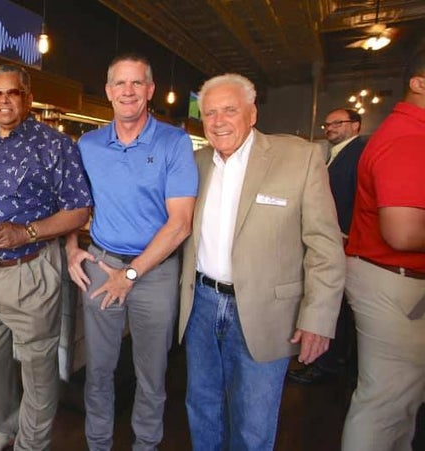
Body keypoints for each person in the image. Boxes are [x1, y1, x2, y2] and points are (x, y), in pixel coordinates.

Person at [177, 73, 345, 450]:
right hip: (202, 304)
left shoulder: (299, 158)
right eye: (210, 113)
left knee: (253, 421)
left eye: (230, 110)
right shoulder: (197, 162)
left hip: (266, 311)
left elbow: (324, 245)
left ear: (252, 114)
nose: (218, 121)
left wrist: (318, 317)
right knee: (202, 407)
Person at [0, 64, 92, 450]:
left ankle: (32, 443)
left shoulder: (54, 145)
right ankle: (1, 427)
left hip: (31, 270)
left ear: (27, 98)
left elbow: (79, 211)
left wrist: (22, 232)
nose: (4, 100)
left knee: (38, 370)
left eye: (12, 93)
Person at [65, 53, 198, 450]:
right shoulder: (88, 145)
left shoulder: (174, 142)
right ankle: (98, 443)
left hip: (154, 274)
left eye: (136, 83)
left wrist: (133, 274)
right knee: (99, 371)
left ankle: (145, 444)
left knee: (151, 374)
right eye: (120, 84)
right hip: (103, 266)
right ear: (108, 92)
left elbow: (180, 223)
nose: (128, 91)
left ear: (150, 90)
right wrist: (73, 248)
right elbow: (75, 206)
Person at [341, 49, 425, 451]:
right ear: (418, 83)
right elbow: (404, 232)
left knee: (400, 400)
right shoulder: (409, 137)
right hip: (395, 283)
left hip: (391, 279)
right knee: (387, 402)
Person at [287, 107, 365, 384]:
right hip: (335, 238)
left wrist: (348, 234)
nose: (330, 127)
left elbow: (358, 199)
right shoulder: (333, 155)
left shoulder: (359, 153)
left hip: (345, 240)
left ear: (355, 125)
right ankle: (324, 362)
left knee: (338, 305)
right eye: (327, 124)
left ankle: (328, 365)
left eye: (337, 123)